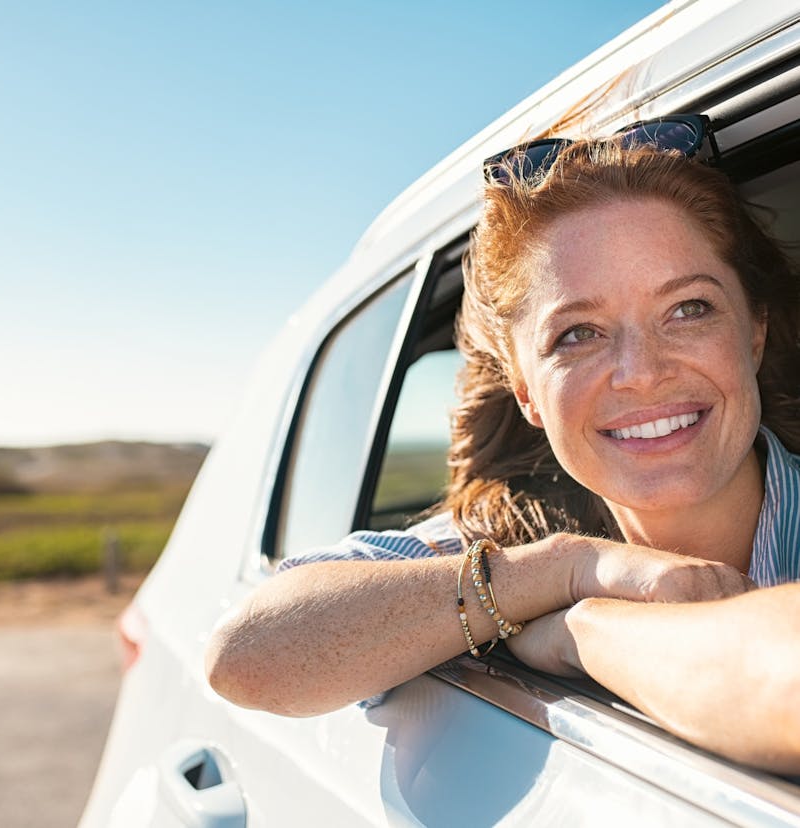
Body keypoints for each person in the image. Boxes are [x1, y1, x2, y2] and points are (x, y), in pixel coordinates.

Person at [206, 118, 800, 774]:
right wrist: (563, 570)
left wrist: (580, 632)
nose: (642, 371)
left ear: (754, 334)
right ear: (526, 393)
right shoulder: (509, 547)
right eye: (578, 333)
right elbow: (245, 656)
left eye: (688, 309)